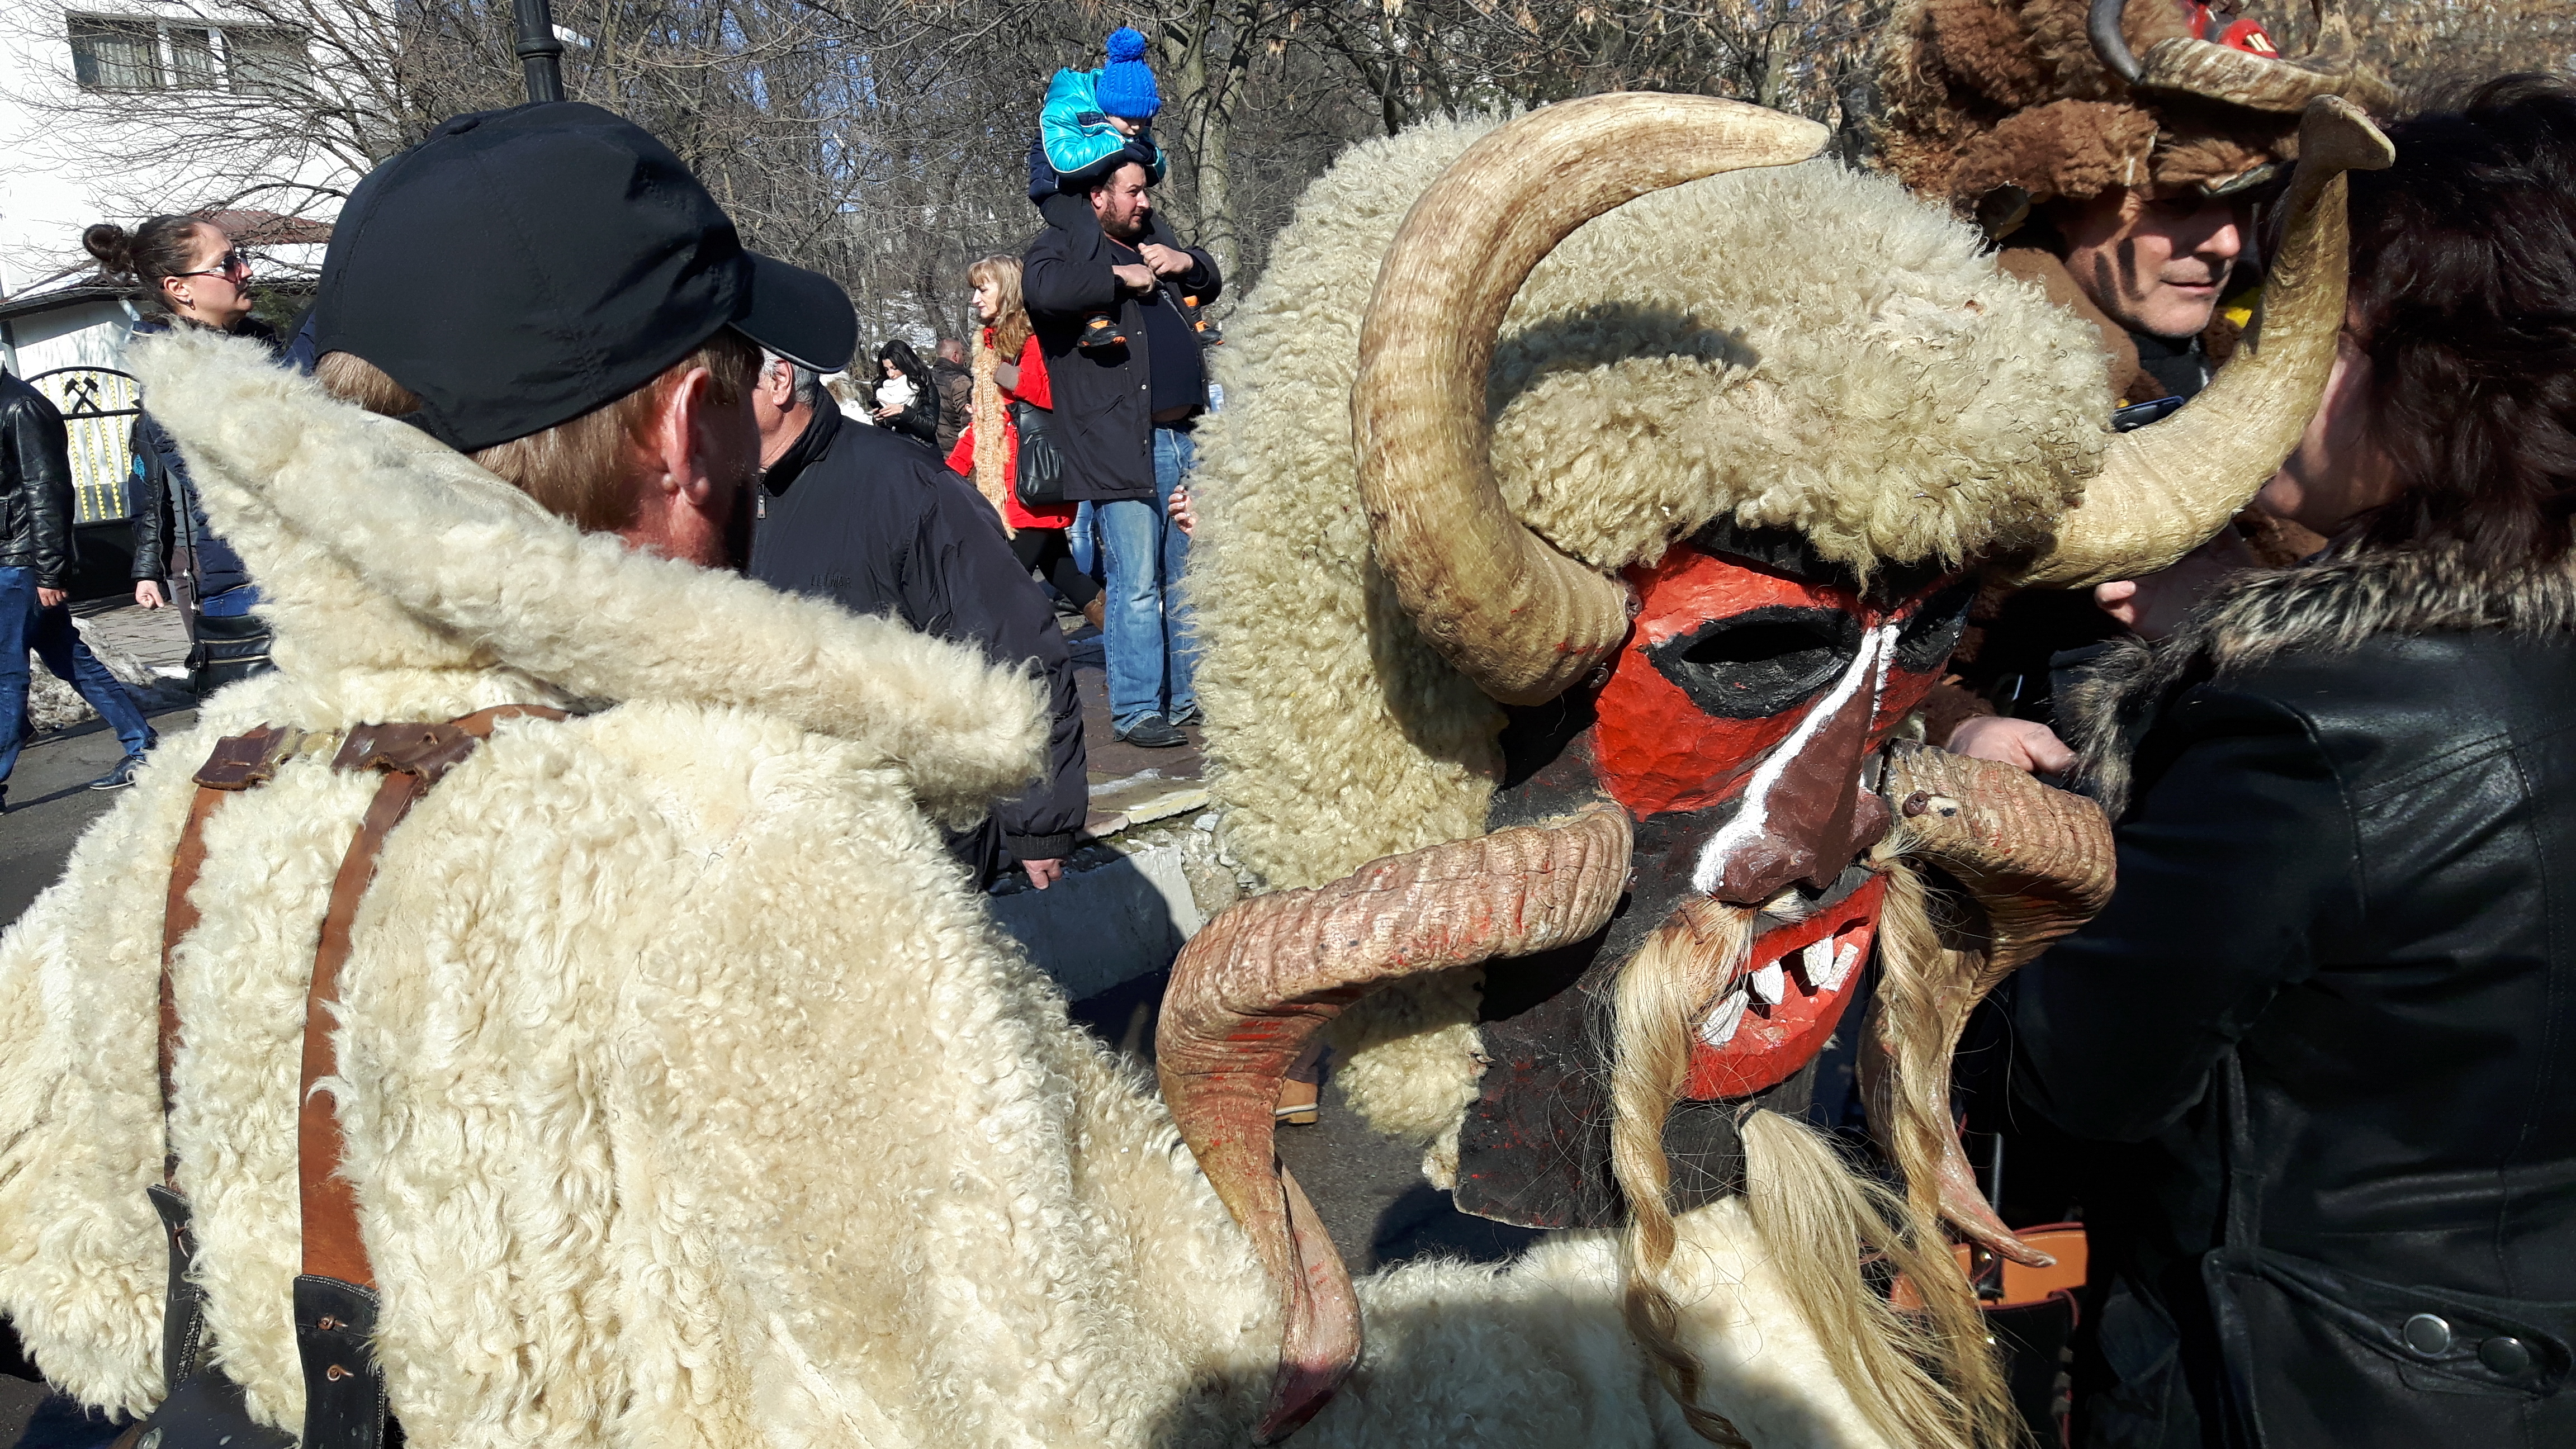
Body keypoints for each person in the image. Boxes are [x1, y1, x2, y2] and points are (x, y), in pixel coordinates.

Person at [2014, 75, 2576, 1448]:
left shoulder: (2317, 734)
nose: (2262, 359)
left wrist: (2039, 809)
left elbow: (2069, 1071)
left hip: (2282, 1388)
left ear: (2450, 377)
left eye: (2322, 326)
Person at [1878, 0, 2392, 755]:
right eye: (2177, 203)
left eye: (2247, 205)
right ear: (2061, 196)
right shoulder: (1940, 365)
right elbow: (1852, 641)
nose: (2222, 242)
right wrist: (1958, 731)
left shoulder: (2275, 342)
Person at [751, 338, 1085, 889]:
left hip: (916, 836)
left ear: (780, 382)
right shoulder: (719, 497)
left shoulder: (905, 485)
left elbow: (1014, 644)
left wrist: (1038, 822)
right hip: (795, 834)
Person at [1024, 158, 1219, 749]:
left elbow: (1207, 276)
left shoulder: (1154, 242)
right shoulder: (1062, 247)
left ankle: (1188, 699)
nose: (1145, 203)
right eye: (1133, 192)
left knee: (1187, 580)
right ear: (1097, 196)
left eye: (1145, 191)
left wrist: (1183, 263)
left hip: (1185, 439)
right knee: (1135, 583)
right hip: (1121, 448)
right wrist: (1120, 279)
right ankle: (1137, 709)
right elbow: (1043, 291)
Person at [84, 216, 288, 689]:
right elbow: (220, 480)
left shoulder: (268, 350)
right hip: (247, 578)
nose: (247, 271)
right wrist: (148, 568)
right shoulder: (176, 377)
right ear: (180, 288)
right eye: (228, 264)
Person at [0, 366, 155, 809]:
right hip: (13, 558)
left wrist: (49, 572)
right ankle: (142, 743)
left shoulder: (21, 406)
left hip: (21, 562)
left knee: (5, 671)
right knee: (70, 658)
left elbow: (47, 491)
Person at [949, 253, 1104, 632]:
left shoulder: (1035, 340)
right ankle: (1128, 647)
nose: (975, 299)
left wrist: (1006, 376)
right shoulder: (989, 344)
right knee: (1068, 578)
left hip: (1030, 487)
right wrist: (949, 472)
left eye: (983, 289)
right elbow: (987, 424)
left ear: (1009, 289)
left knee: (998, 587)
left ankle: (1014, 665)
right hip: (1014, 488)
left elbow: (1057, 397)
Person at [1027, 27, 1168, 354]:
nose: (1136, 128)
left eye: (1144, 121)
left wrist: (1142, 152)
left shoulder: (1128, 126)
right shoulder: (1066, 105)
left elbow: (1155, 166)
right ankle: (1096, 317)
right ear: (1107, 105)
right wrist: (1122, 146)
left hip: (1100, 186)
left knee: (1151, 221)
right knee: (1085, 225)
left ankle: (1190, 307)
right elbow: (1066, 162)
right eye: (1129, 118)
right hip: (1060, 189)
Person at [868, 338, 938, 445]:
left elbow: (930, 427)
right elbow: (886, 430)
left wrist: (904, 411)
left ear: (905, 364)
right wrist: (879, 421)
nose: (891, 374)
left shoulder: (923, 385)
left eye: (894, 368)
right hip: (894, 448)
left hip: (919, 451)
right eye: (887, 369)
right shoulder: (883, 390)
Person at [929, 335, 972, 454]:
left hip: (931, 451)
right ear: (955, 356)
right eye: (962, 354)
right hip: (954, 453)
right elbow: (969, 425)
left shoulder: (927, 377)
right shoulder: (960, 382)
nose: (964, 358)